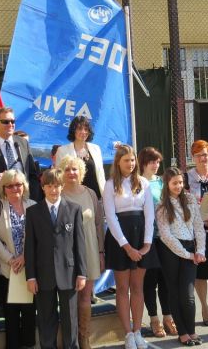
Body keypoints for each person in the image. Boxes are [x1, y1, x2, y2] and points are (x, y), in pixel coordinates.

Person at [103, 144, 158, 349]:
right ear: (118, 162)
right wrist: (127, 247)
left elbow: (149, 215)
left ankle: (137, 332)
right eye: (127, 160)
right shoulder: (110, 185)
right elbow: (110, 217)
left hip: (141, 237)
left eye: (133, 160)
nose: (131, 163)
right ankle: (127, 334)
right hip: (120, 241)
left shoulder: (143, 182)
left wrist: (146, 245)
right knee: (123, 288)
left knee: (137, 287)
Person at [25, 168, 87, 349]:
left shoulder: (74, 210)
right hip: (43, 274)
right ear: (43, 187)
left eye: (57, 186)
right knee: (45, 319)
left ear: (62, 187)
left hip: (69, 273)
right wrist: (31, 276)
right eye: (50, 186)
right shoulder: (33, 212)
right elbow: (30, 247)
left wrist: (82, 273)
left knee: (70, 319)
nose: (54, 190)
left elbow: (79, 244)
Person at [0, 169, 37, 349]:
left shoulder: (34, 205)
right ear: (3, 188)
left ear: (24, 186)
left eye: (19, 184)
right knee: (12, 317)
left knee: (30, 315)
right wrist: (10, 259)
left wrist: (25, 258)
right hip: (7, 271)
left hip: (30, 270)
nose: (15, 188)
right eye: (10, 185)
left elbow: (40, 237)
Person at [156, 167, 206, 346]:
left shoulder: (191, 200)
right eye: (174, 183)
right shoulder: (162, 206)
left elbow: (199, 227)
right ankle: (182, 333)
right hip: (172, 251)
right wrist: (187, 254)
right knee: (175, 292)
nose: (178, 186)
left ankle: (191, 331)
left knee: (188, 295)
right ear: (167, 184)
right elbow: (166, 235)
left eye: (181, 182)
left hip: (191, 249)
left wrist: (200, 251)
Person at [59, 155, 104, 349]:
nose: (71, 173)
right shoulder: (57, 194)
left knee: (86, 297)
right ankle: (69, 339)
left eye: (75, 169)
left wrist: (101, 252)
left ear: (81, 172)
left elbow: (98, 225)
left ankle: (84, 337)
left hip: (90, 251)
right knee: (68, 299)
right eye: (67, 169)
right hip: (66, 254)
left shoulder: (91, 194)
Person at [137, 147, 176, 338]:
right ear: (143, 162)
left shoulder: (162, 181)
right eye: (152, 161)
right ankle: (154, 319)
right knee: (149, 282)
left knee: (165, 280)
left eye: (158, 161)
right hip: (147, 240)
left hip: (165, 239)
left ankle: (168, 317)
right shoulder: (137, 182)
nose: (155, 165)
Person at [184, 140, 208, 327]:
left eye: (206, 154)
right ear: (193, 158)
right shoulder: (186, 178)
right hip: (195, 231)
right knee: (200, 271)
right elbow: (181, 204)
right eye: (199, 155)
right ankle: (203, 307)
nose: (203, 158)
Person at [55, 116, 105, 199]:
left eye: (86, 129)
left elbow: (101, 175)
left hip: (97, 197)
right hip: (72, 198)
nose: (83, 132)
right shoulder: (62, 151)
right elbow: (59, 177)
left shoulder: (96, 149)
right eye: (79, 129)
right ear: (73, 131)